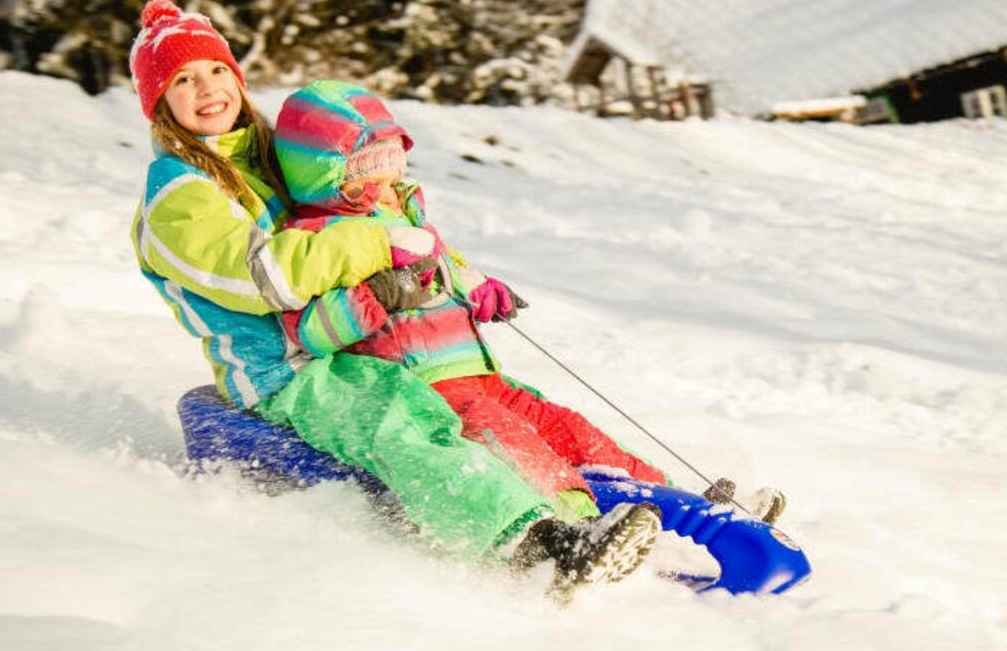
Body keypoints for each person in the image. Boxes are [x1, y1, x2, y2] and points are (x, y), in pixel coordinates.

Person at [127, 0, 662, 590]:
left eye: (217, 69)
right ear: (158, 103)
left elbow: (370, 209)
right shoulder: (179, 194)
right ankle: (534, 547)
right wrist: (378, 251)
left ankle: (661, 506)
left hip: (351, 345)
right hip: (288, 370)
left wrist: (458, 277)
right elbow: (267, 277)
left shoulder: (266, 155)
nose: (208, 87)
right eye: (183, 78)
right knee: (401, 424)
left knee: (509, 408)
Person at [271, 79, 786, 527]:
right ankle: (574, 526)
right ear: (323, 175)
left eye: (392, 160)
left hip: (481, 375)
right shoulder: (317, 240)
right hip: (428, 390)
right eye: (368, 167)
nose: (385, 181)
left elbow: (445, 268)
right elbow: (309, 332)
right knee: (517, 443)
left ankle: (683, 507)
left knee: (571, 429)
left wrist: (476, 288)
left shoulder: (408, 220)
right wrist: (377, 296)